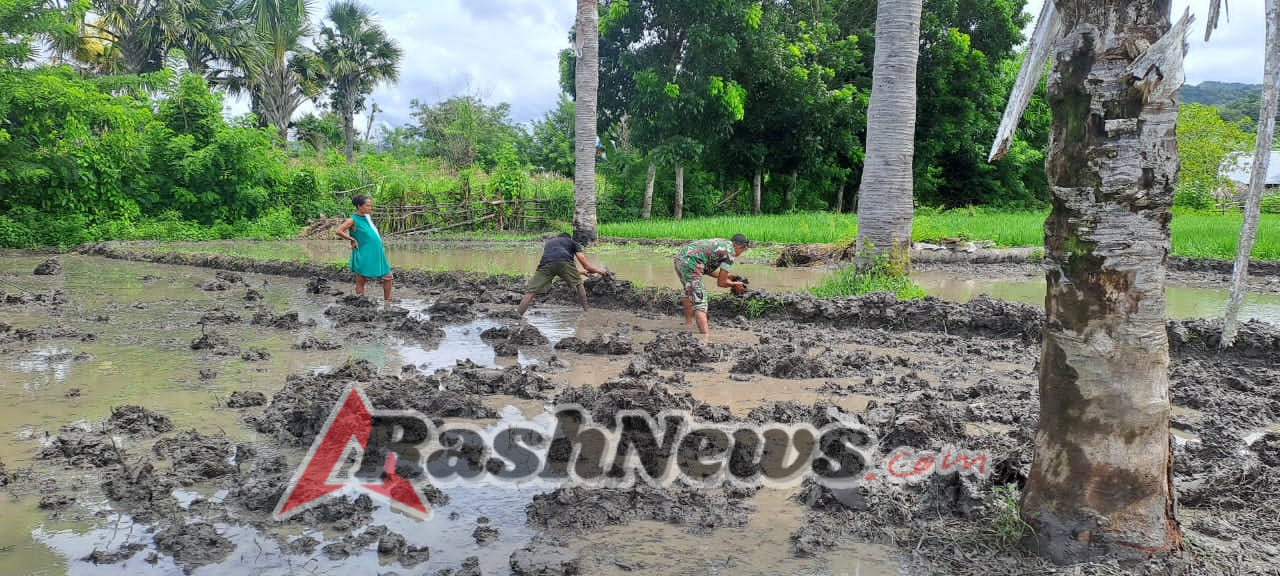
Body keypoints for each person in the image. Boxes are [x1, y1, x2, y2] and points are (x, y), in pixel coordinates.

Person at [673, 234, 749, 335]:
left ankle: (689, 324)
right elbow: (721, 283)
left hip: (681, 257)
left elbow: (705, 268)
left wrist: (729, 276)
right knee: (700, 302)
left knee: (689, 291)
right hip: (691, 261)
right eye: (742, 251)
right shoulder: (731, 253)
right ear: (740, 247)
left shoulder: (722, 243)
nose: (740, 254)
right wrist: (735, 284)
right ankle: (705, 338)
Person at [518, 232, 608, 316]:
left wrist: (579, 272)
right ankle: (587, 312)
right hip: (564, 263)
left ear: (559, 238)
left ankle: (518, 315)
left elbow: (555, 264)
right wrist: (600, 271)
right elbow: (585, 266)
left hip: (545, 265)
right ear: (569, 238)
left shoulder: (549, 243)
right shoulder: (572, 242)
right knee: (579, 285)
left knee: (530, 292)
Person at [334, 195, 393, 307]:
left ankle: (387, 303)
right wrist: (352, 239)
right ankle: (360, 303)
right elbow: (338, 231)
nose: (370, 208)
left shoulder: (367, 218)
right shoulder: (352, 219)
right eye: (367, 205)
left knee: (388, 276)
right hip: (364, 253)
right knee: (361, 279)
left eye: (370, 205)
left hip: (377, 253)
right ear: (359, 206)